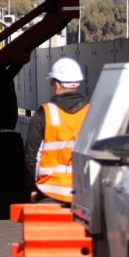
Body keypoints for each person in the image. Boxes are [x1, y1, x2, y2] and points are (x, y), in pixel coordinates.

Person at [24, 57, 89, 204]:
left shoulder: (45, 113)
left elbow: (30, 156)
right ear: (77, 83)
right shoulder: (92, 111)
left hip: (50, 191)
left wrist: (33, 188)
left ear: (57, 84)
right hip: (84, 191)